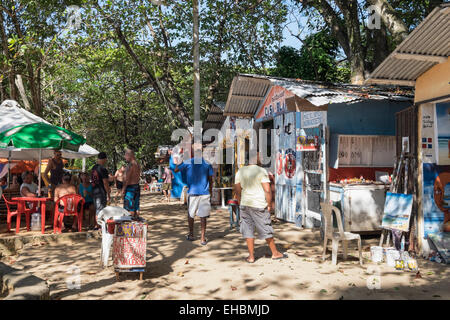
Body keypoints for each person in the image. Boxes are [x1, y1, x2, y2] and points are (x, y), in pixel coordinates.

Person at [234, 153, 286, 263]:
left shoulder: (240, 172)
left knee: (248, 230)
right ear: (254, 159)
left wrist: (240, 204)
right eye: (259, 157)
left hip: (245, 205)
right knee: (266, 228)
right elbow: (267, 190)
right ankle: (275, 253)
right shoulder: (261, 171)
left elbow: (238, 191)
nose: (261, 159)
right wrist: (269, 204)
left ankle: (251, 257)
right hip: (258, 205)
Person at [174, 143, 214, 245]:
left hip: (192, 192)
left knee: (191, 215)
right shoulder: (207, 163)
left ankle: (191, 234)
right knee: (203, 216)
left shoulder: (188, 162)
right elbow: (211, 179)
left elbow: (176, 169)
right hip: (204, 193)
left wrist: (180, 159)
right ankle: (202, 238)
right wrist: (211, 190)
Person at [91, 152, 110, 228]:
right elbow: (105, 182)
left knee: (97, 209)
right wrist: (108, 193)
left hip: (94, 191)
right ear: (105, 159)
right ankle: (98, 227)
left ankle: (97, 225)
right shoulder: (103, 169)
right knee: (100, 210)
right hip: (101, 192)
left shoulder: (94, 167)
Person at [122, 149, 141, 217]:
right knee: (136, 207)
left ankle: (130, 224)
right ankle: (136, 222)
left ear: (130, 155)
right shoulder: (137, 164)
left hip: (130, 188)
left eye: (125, 155)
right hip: (136, 186)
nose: (125, 157)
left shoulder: (131, 165)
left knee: (129, 208)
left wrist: (123, 189)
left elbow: (127, 178)